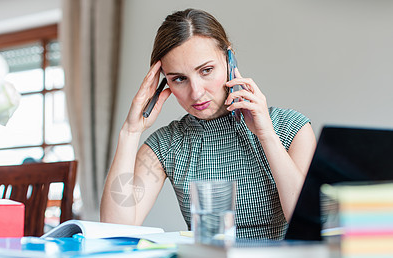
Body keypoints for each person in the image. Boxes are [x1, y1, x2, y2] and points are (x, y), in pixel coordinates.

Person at [100, 8, 316, 240]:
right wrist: (130, 131)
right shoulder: (166, 145)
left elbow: (307, 224)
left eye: (206, 70)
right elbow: (116, 230)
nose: (196, 92)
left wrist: (266, 136)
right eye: (179, 79)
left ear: (229, 59)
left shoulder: (291, 128)